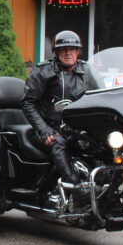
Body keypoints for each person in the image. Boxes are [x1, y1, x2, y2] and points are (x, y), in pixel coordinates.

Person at [21, 30, 94, 204]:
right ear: (56, 51)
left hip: (76, 128)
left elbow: (101, 95)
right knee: (58, 143)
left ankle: (104, 184)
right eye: (63, 49)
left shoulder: (87, 71)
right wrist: (44, 130)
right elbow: (29, 103)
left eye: (72, 49)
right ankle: (75, 188)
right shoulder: (43, 71)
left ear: (78, 51)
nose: (68, 53)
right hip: (48, 127)